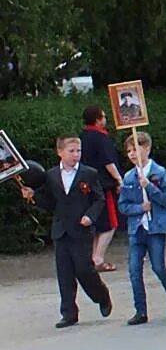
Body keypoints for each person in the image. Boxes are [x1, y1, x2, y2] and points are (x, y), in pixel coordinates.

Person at [18, 133, 113, 327]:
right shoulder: (52, 176)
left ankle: (101, 295)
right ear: (60, 152)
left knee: (84, 269)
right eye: (71, 151)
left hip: (81, 229)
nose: (75, 155)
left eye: (78, 151)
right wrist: (32, 196)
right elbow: (49, 203)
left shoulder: (89, 173)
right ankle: (69, 312)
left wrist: (90, 216)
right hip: (61, 230)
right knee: (65, 273)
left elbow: (99, 199)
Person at [116, 132, 166, 325]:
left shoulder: (159, 173)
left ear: (147, 149)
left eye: (135, 150)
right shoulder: (129, 177)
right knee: (134, 269)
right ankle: (141, 310)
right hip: (137, 228)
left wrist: (150, 188)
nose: (132, 154)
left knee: (158, 266)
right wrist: (139, 208)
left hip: (155, 227)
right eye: (128, 151)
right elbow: (123, 205)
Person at [78, 107, 122, 273]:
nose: (105, 119)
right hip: (104, 185)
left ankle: (93, 257)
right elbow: (108, 161)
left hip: (86, 185)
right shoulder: (101, 137)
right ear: (98, 119)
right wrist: (119, 179)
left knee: (98, 223)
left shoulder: (82, 137)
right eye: (104, 116)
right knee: (111, 223)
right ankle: (98, 258)